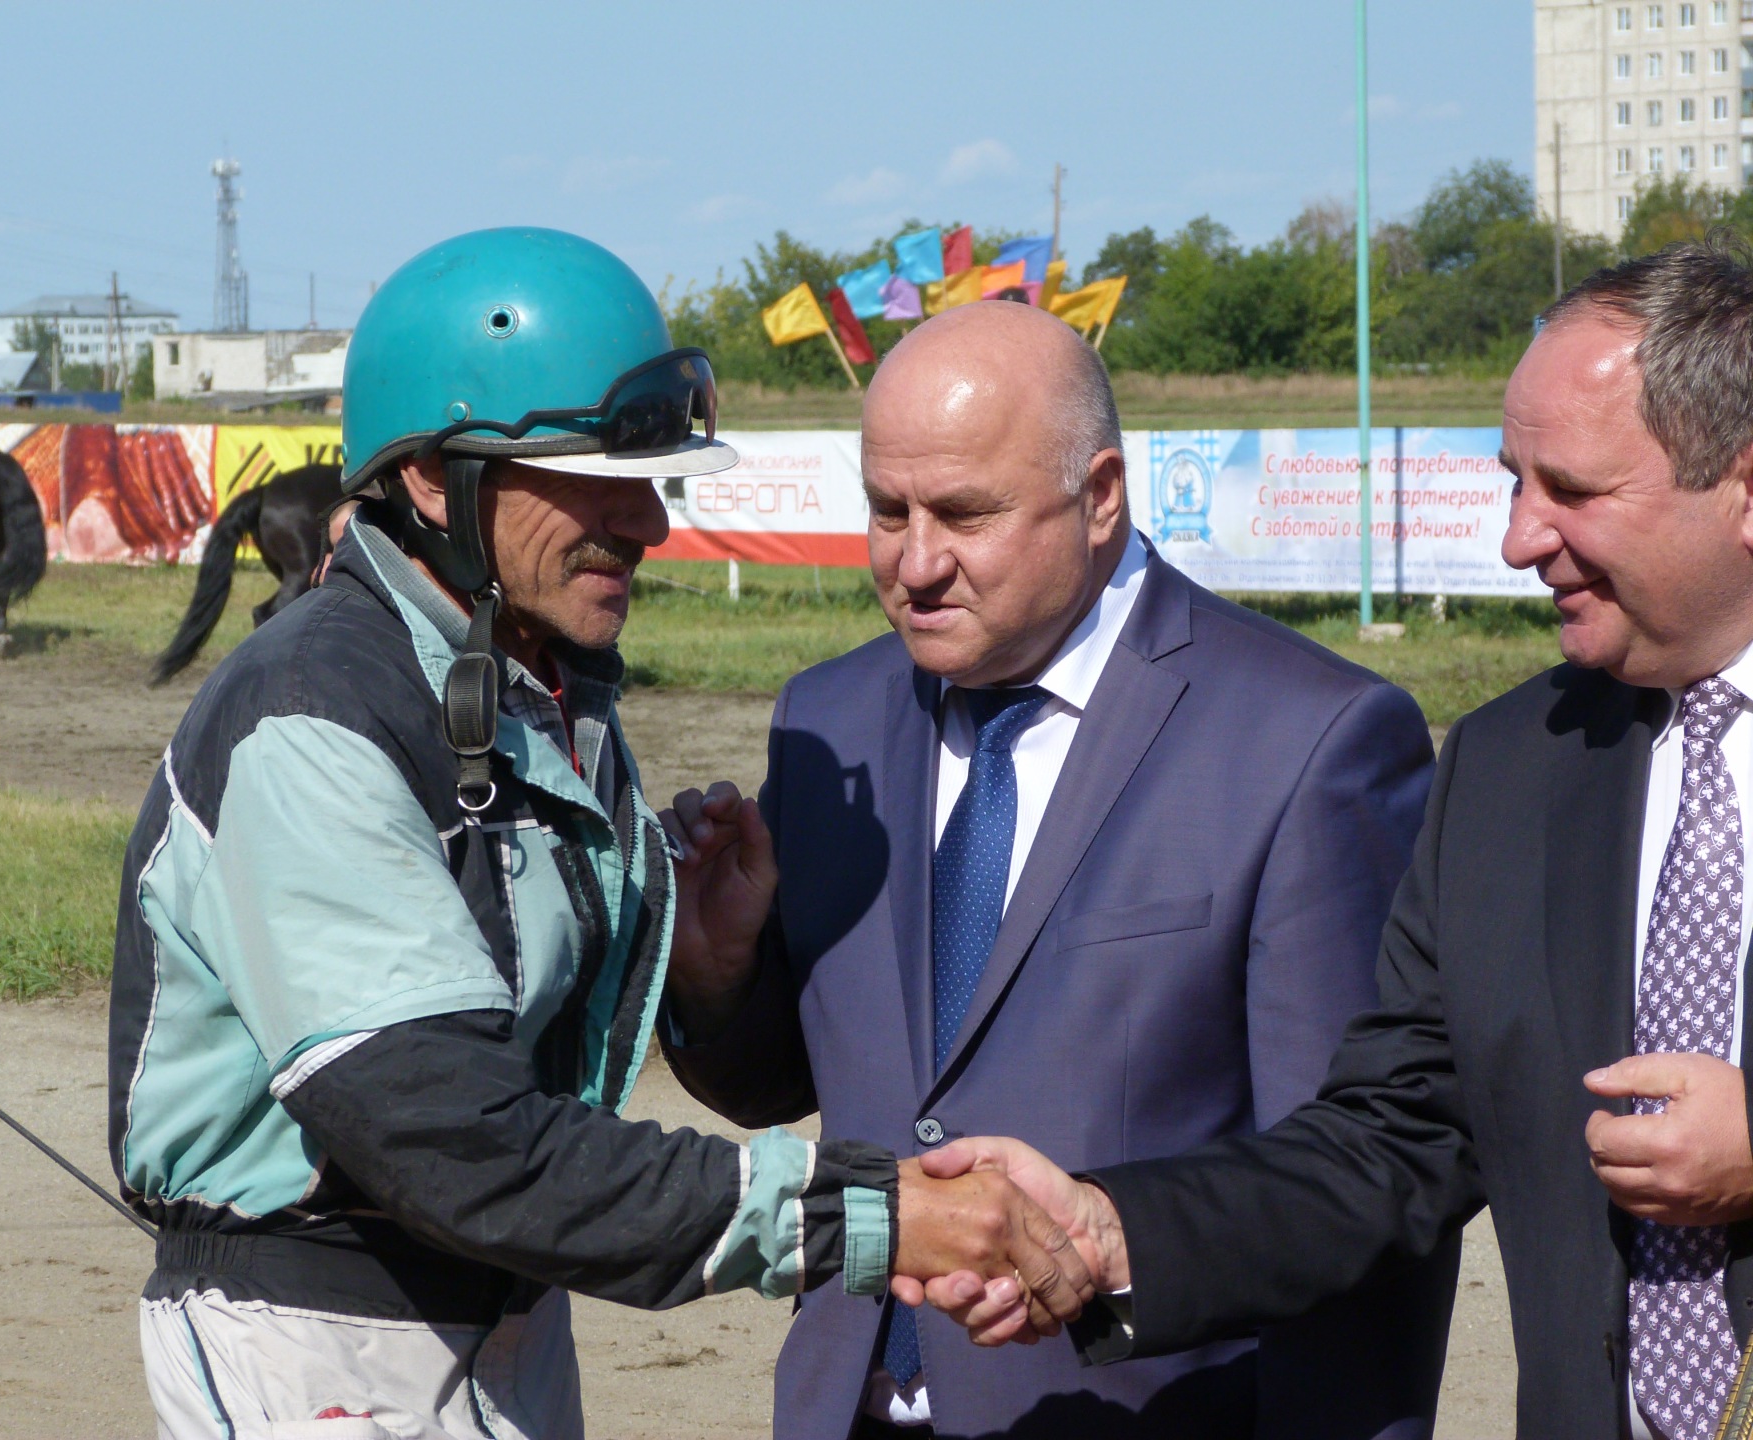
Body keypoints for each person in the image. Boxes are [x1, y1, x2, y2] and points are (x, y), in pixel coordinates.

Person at [106, 229, 1094, 1440]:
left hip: (503, 1314)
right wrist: (876, 1215)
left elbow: (539, 1073)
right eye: (596, 478)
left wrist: (707, 970)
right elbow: (460, 1146)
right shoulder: (310, 716)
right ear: (437, 480)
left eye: (655, 478)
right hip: (321, 1342)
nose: (646, 524)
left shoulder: (538, 682)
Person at [914, 241, 1753, 1440]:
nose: (1519, 539)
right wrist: (1111, 1232)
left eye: (1572, 491)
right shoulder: (1512, 768)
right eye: (1515, 482)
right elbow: (1393, 1140)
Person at [659, 300, 1459, 1439]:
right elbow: (813, 1083)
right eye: (887, 511)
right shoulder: (826, 721)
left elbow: (1363, 1174)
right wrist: (718, 979)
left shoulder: (1309, 740)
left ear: (1101, 497)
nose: (916, 563)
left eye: (965, 514)